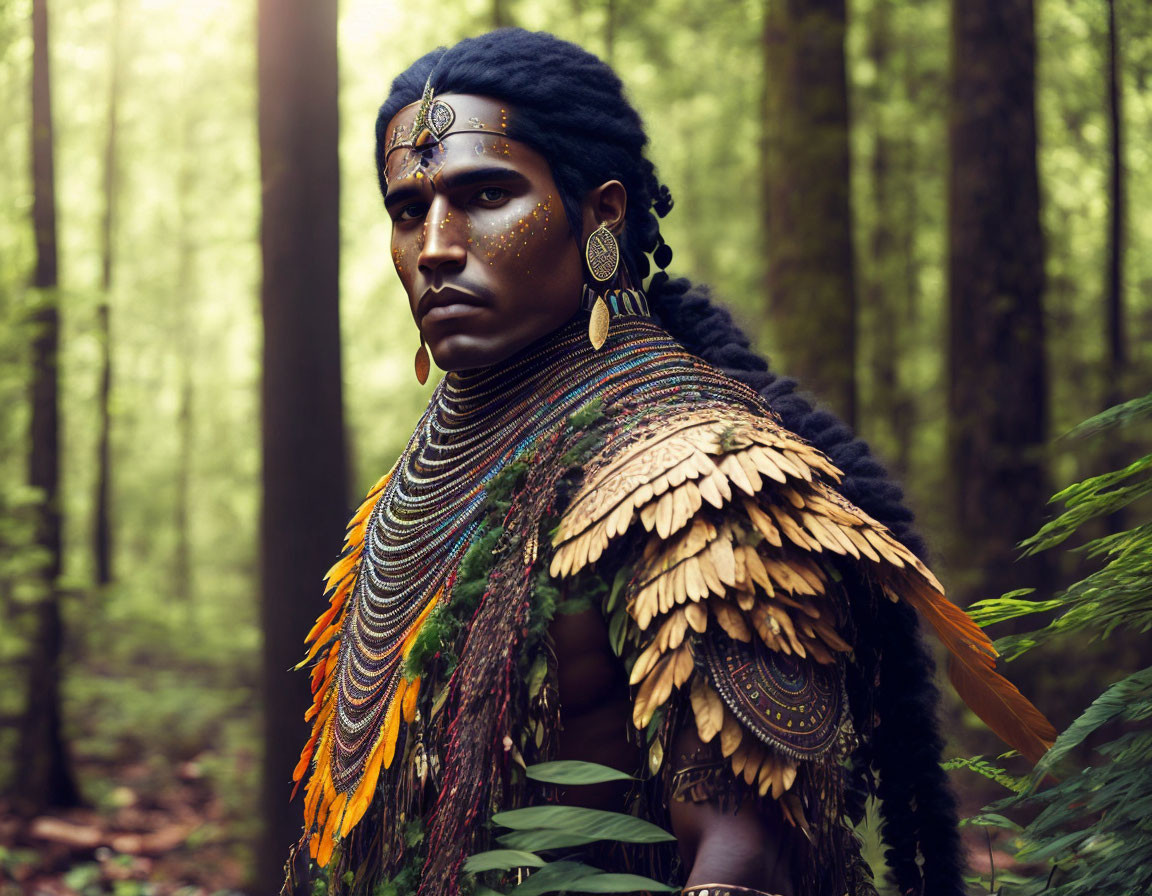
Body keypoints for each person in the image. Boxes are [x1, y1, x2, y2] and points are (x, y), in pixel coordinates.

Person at [287, 29, 1053, 896]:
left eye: (487, 193)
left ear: (603, 215)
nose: (434, 247)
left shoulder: (702, 480)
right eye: (406, 209)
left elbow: (748, 862)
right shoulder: (425, 482)